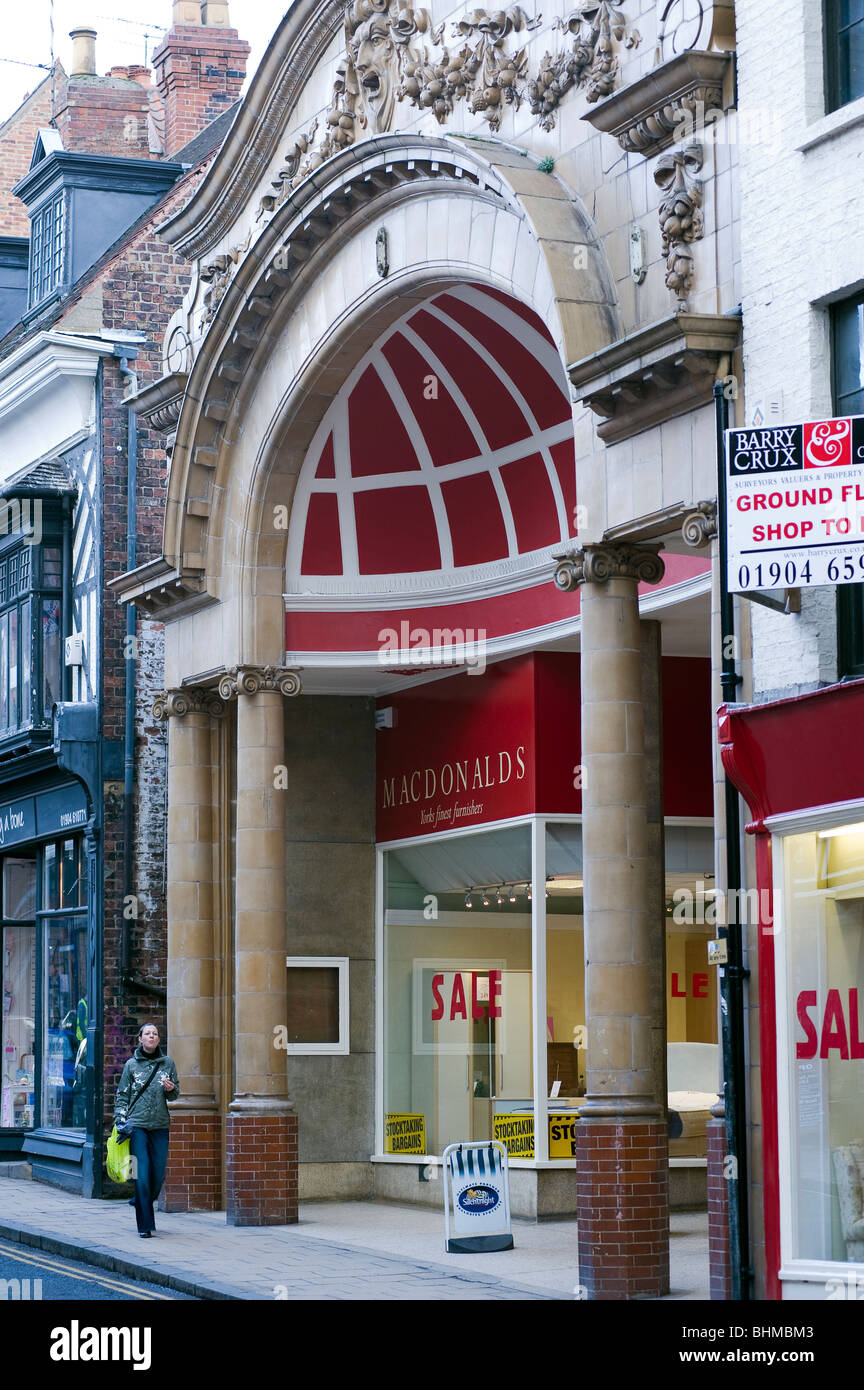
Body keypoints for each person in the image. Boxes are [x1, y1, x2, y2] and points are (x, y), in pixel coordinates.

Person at [113, 1023, 180, 1238]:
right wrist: (121, 1121)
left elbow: (174, 1095)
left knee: (158, 1176)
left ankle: (140, 1201)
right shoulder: (131, 1065)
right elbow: (122, 1096)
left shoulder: (167, 1063)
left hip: (160, 1125)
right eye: (147, 1034)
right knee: (142, 1175)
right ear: (140, 1039)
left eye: (155, 1034)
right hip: (137, 1126)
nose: (152, 1037)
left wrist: (171, 1089)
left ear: (158, 1040)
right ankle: (145, 1225)